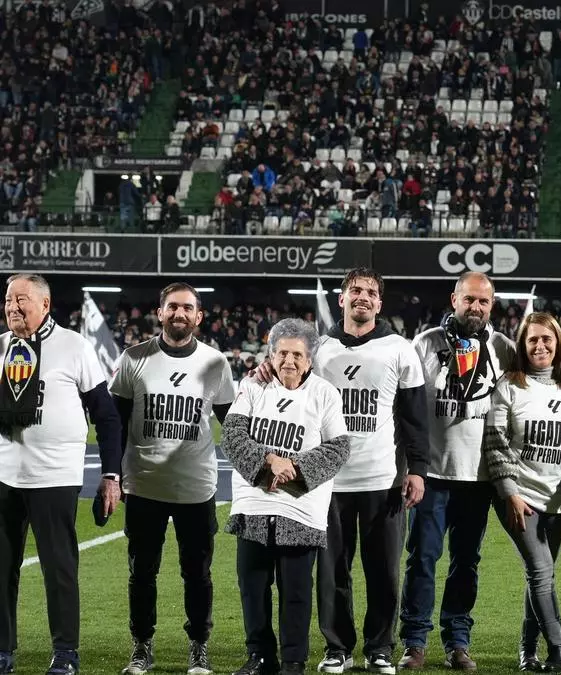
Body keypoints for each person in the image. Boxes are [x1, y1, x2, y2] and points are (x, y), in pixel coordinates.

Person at [110, 282, 236, 675]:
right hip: (144, 485)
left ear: (199, 316)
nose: (179, 314)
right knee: (141, 573)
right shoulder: (133, 359)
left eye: (187, 308)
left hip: (195, 488)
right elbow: (114, 425)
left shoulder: (216, 363)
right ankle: (141, 646)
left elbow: (232, 424)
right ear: (160, 312)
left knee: (197, 574)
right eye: (173, 307)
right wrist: (112, 476)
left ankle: (199, 646)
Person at [0, 273, 122, 675]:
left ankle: (65, 652)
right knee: (1, 569)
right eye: (8, 300)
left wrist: (111, 474)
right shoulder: (0, 347)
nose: (12, 308)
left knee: (59, 568)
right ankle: (3, 650)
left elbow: (105, 416)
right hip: (4, 476)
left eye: (21, 300)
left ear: (45, 305)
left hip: (54, 477)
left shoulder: (73, 346)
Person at [311, 269, 429, 675]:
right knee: (331, 572)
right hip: (329, 482)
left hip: (384, 480)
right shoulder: (318, 349)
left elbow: (415, 418)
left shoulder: (400, 349)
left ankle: (380, 646)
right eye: (355, 290)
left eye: (371, 293)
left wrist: (418, 471)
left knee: (383, 571)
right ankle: (337, 647)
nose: (363, 297)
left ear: (379, 304)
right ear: (342, 299)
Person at [400, 272, 516, 671]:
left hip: (478, 479)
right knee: (422, 558)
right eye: (469, 299)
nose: (476, 307)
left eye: (483, 302)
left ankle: (457, 640)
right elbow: (407, 406)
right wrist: (408, 466)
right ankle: (415, 641)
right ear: (454, 299)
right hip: (431, 475)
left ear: (492, 306)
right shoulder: (426, 343)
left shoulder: (503, 348)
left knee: (466, 562)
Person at [223, 319, 351, 675]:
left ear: (309, 360)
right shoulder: (252, 386)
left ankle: (293, 661)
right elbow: (232, 435)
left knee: (295, 592)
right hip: (253, 505)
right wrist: (269, 461)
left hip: (300, 509)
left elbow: (339, 448)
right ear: (271, 354)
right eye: (282, 353)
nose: (289, 361)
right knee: (253, 588)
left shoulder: (325, 393)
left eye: (297, 354)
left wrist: (292, 468)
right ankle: (260, 656)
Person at [483, 312, 561, 672]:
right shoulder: (509, 385)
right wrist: (509, 492)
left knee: (542, 574)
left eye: (547, 339)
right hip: (521, 497)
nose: (540, 345)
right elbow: (495, 443)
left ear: (558, 344)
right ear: (522, 344)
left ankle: (527, 650)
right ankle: (559, 648)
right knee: (540, 571)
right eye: (532, 339)